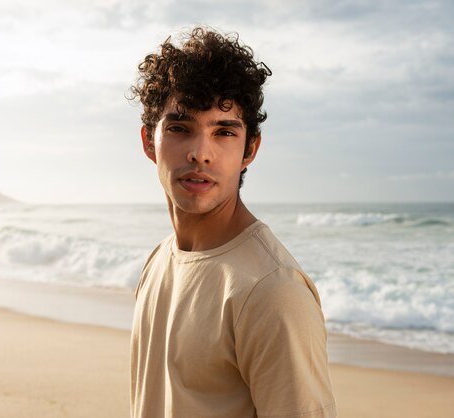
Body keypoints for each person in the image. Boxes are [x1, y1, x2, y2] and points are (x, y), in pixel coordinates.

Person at [129, 27, 337, 418]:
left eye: (224, 132)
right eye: (180, 128)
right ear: (148, 141)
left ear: (250, 149)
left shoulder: (271, 292)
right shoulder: (159, 261)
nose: (200, 153)